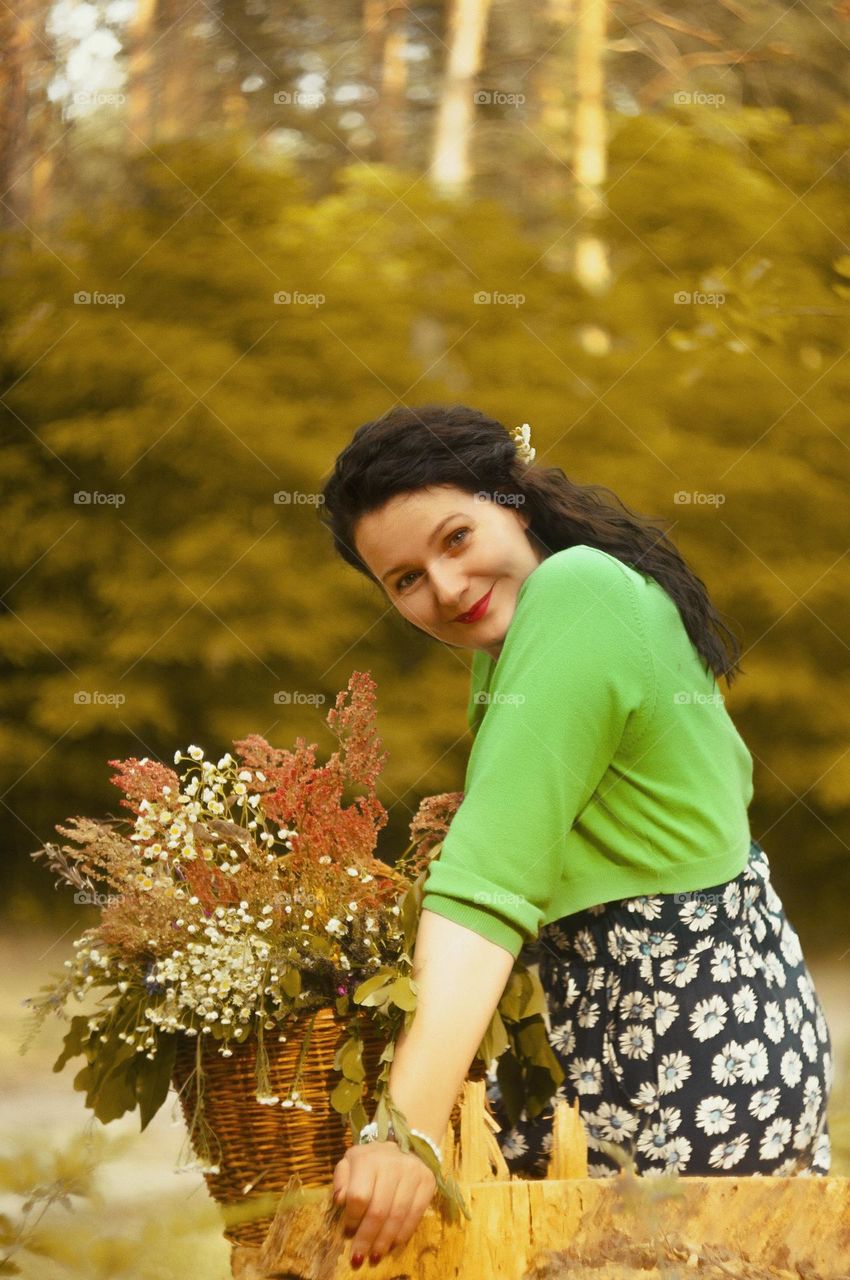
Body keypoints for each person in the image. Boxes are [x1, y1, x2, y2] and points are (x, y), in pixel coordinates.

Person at [318, 404, 833, 1268]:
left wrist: (402, 1137)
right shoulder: (521, 635)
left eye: (454, 538)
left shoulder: (577, 591)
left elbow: (489, 888)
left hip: (690, 1056)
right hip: (660, 1045)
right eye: (404, 579)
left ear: (511, 499)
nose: (444, 589)